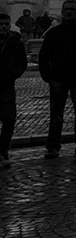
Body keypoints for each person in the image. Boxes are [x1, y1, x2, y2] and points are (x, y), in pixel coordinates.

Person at [37, 0, 76, 159]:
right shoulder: (54, 33)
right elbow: (44, 55)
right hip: (58, 78)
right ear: (62, 12)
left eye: (72, 9)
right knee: (56, 114)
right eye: (66, 9)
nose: (69, 12)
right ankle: (53, 146)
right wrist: (48, 76)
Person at [0, 13, 28, 167]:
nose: (4, 27)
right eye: (1, 24)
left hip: (7, 86)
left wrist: (13, 74)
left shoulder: (15, 43)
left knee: (9, 119)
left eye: (6, 24)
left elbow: (22, 63)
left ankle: (3, 150)